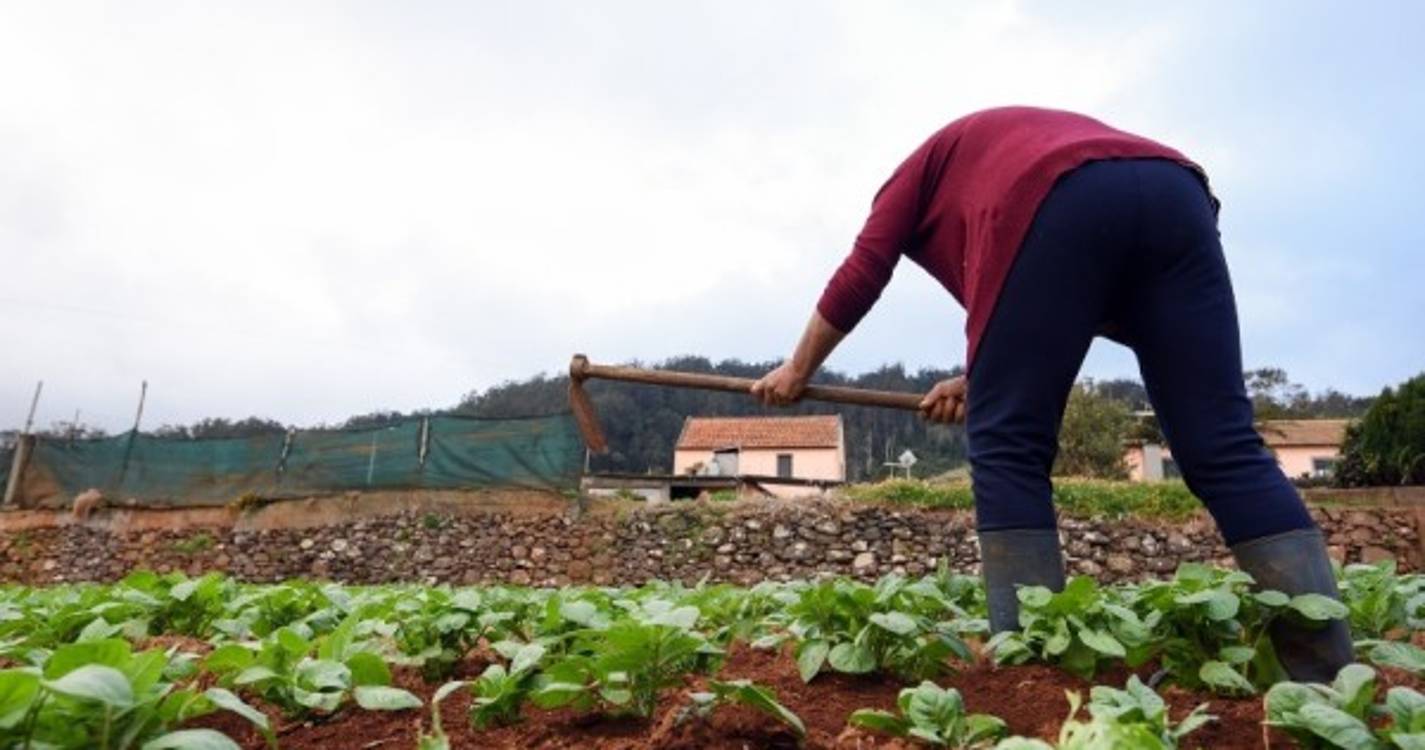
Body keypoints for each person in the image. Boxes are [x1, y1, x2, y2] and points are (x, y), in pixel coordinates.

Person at [750, 106, 1352, 682]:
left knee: (1008, 445)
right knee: (1224, 445)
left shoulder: (911, 178)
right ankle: (1327, 674)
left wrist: (796, 369)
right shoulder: (997, 158)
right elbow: (1056, 310)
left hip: (1056, 196)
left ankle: (1031, 671)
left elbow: (862, 271)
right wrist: (979, 379)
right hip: (1177, 195)